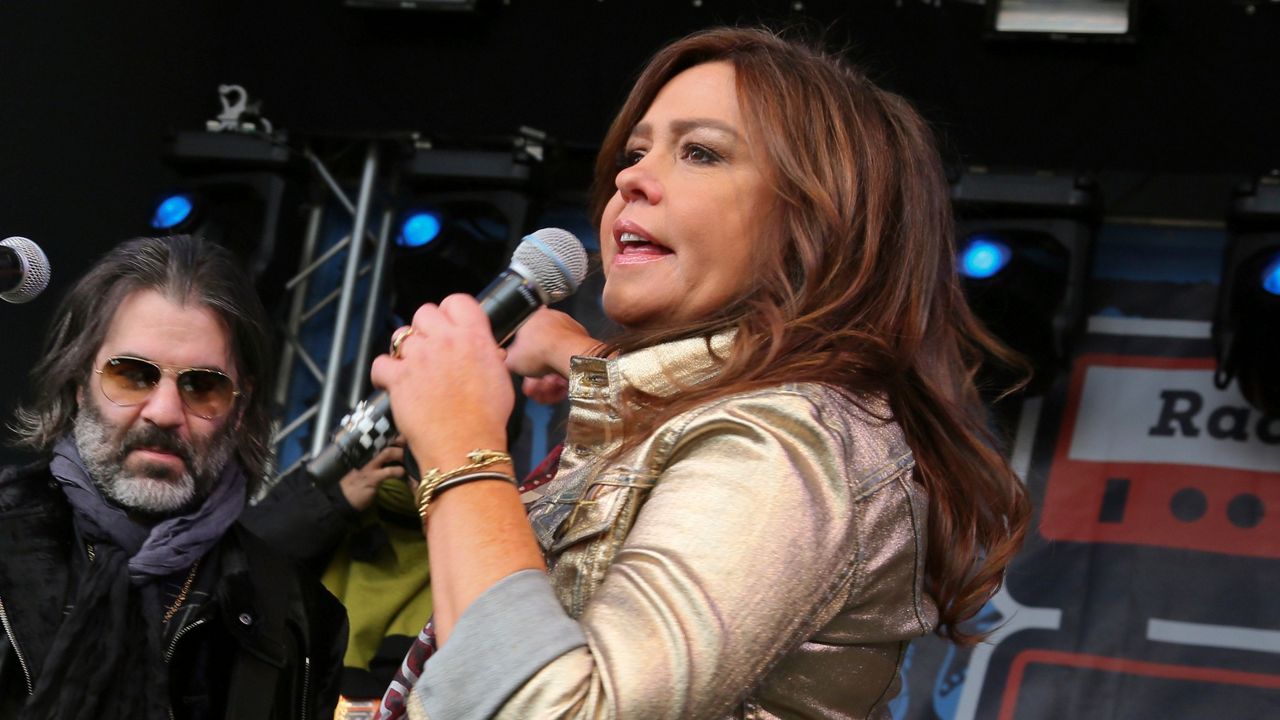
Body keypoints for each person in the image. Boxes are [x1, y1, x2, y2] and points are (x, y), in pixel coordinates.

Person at [371, 27, 1031, 719]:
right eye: (635, 151)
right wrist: (592, 362)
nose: (630, 178)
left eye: (701, 153)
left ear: (819, 222)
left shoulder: (787, 447)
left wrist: (461, 447)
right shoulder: (729, 417)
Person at [0, 235, 346, 719]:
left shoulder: (296, 615)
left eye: (202, 385)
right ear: (79, 383)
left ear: (240, 409)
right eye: (132, 375)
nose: (164, 413)